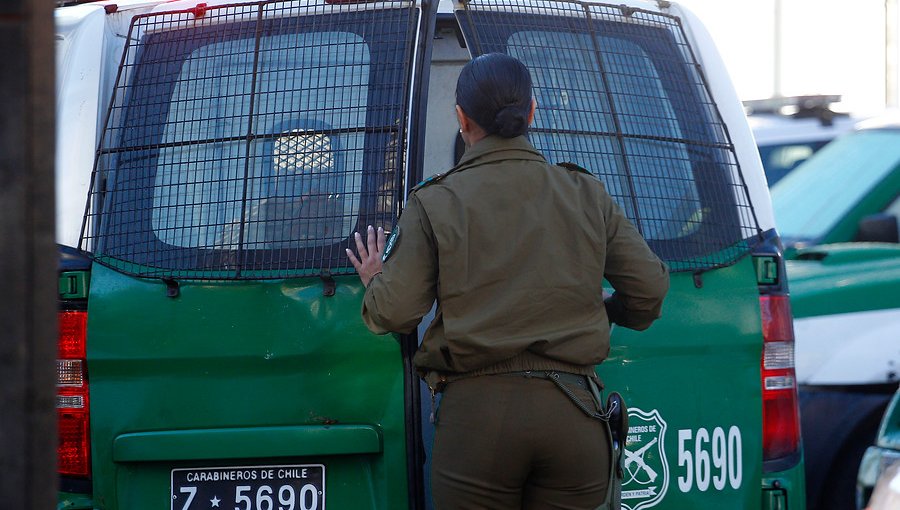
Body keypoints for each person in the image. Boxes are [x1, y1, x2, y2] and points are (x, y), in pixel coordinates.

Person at [346, 53, 669, 510]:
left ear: (461, 118)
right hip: (575, 417)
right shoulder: (584, 192)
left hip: (478, 426)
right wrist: (608, 308)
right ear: (532, 112)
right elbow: (649, 291)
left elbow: (394, 312)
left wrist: (376, 277)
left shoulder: (435, 200)